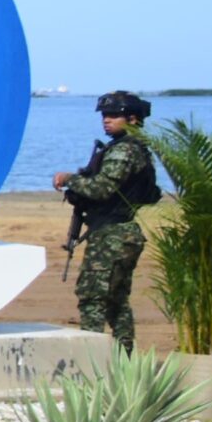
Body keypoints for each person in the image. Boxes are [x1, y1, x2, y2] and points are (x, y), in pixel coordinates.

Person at [56, 90, 160, 348]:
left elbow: (102, 188)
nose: (107, 120)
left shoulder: (124, 150)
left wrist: (70, 179)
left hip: (112, 234)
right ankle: (123, 358)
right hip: (120, 232)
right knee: (116, 301)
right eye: (105, 115)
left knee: (93, 299)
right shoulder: (136, 149)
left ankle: (92, 358)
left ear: (133, 119)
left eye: (114, 115)